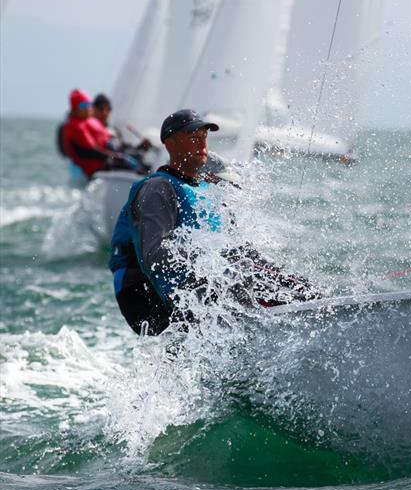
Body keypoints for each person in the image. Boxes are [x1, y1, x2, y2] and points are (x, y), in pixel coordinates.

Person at [109, 109, 319, 335]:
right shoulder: (158, 188)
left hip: (188, 286)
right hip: (142, 293)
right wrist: (211, 271)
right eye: (192, 138)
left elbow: (235, 252)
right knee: (237, 275)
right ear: (170, 144)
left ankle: (315, 304)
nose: (201, 144)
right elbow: (153, 257)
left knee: (261, 271)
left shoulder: (204, 192)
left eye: (203, 137)